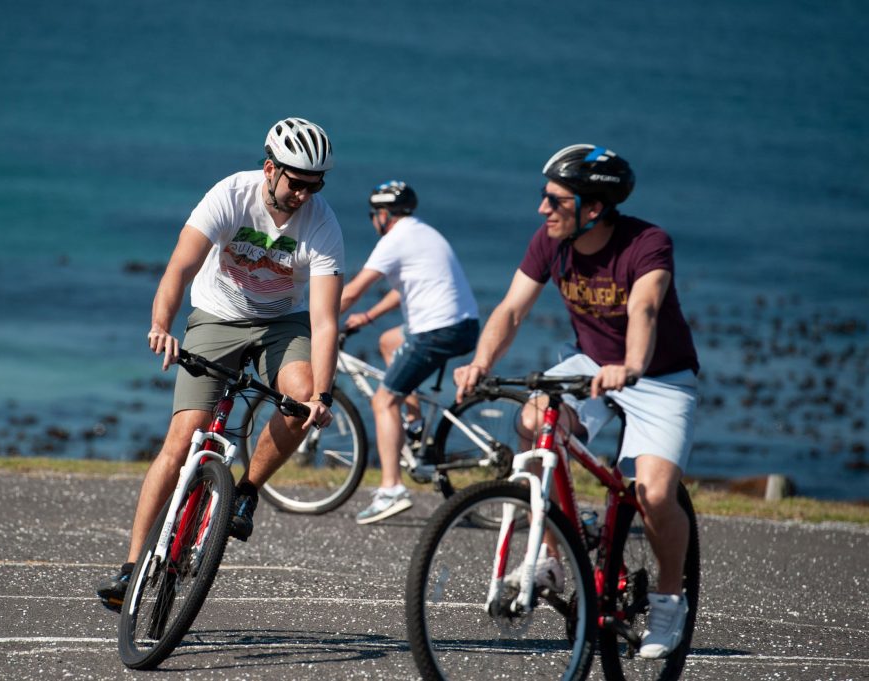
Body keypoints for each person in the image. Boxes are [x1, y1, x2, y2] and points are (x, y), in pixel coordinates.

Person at [454, 144, 700, 659]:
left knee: (654, 495)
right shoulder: (552, 241)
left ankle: (668, 600)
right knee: (533, 421)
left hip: (660, 376)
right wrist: (481, 364)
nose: (543, 209)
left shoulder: (647, 243)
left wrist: (631, 365)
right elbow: (512, 310)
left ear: (593, 209)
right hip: (588, 364)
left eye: (555, 200)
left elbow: (646, 308)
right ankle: (551, 554)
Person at [96, 117, 344, 611]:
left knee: (299, 398)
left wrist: (323, 394)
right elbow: (179, 267)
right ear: (270, 169)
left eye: (315, 186)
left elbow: (325, 317)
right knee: (183, 436)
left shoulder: (322, 224)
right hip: (217, 314)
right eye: (296, 183)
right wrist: (161, 325)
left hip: (283, 323)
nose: (304, 195)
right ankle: (130, 568)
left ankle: (246, 491)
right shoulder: (231, 195)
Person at [340, 181, 479, 524]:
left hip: (436, 331)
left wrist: (314, 320)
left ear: (383, 215)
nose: (375, 221)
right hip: (462, 325)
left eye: (375, 216)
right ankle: (414, 427)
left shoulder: (394, 240)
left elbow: (354, 290)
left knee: (384, 400)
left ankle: (391, 490)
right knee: (389, 341)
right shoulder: (423, 233)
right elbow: (407, 290)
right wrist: (369, 317)